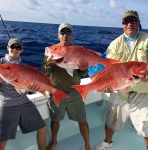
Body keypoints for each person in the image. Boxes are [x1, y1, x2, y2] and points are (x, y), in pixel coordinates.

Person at [96, 10, 148, 150]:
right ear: (122, 25)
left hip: (142, 91)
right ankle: (108, 141)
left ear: (139, 23)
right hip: (119, 90)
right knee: (112, 119)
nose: (129, 23)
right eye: (126, 21)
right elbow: (109, 70)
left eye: (133, 20)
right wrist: (107, 85)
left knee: (146, 126)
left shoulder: (147, 40)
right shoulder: (114, 44)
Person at [42, 23, 91, 150]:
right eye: (62, 33)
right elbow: (45, 72)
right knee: (55, 119)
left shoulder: (77, 50)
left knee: (82, 119)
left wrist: (84, 69)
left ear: (72, 35)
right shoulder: (51, 50)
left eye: (68, 33)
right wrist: (48, 63)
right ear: (58, 35)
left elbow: (83, 73)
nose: (65, 35)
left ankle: (87, 145)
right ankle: (54, 141)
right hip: (56, 92)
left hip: (75, 91)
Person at [0, 38, 47, 150]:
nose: (15, 49)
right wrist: (5, 74)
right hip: (6, 103)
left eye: (18, 47)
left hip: (23, 101)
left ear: (22, 50)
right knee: (2, 140)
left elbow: (25, 90)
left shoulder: (24, 67)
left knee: (42, 128)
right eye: (12, 47)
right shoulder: (0, 63)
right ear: (7, 47)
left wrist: (31, 90)